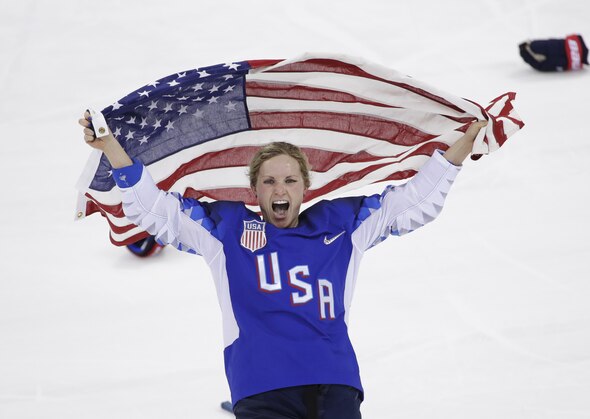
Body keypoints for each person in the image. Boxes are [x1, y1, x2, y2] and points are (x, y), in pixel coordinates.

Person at [79, 111, 487, 419]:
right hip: (262, 387)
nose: (280, 189)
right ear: (254, 189)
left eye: (290, 181)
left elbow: (414, 201)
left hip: (335, 381)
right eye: (269, 181)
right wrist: (111, 148)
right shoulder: (226, 229)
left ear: (304, 188)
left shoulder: (342, 226)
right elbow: (156, 211)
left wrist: (464, 144)